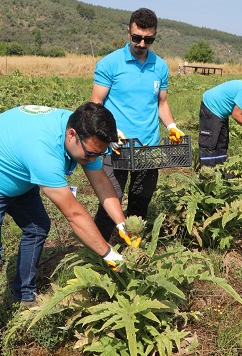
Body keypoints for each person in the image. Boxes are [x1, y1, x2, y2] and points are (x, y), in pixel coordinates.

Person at [0, 102, 133, 356]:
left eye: (100, 152)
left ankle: (23, 293)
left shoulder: (85, 134)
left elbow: (100, 181)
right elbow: (73, 214)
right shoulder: (42, 150)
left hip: (15, 172)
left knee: (37, 226)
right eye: (92, 153)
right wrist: (110, 254)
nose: (94, 158)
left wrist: (122, 224)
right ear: (72, 135)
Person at [91, 7, 185, 241]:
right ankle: (98, 250)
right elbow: (96, 103)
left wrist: (172, 125)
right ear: (128, 32)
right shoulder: (110, 63)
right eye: (137, 38)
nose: (142, 44)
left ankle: (132, 246)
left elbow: (162, 103)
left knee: (141, 199)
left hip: (148, 146)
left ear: (154, 36)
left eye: (148, 39)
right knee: (111, 198)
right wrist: (111, 132)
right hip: (117, 145)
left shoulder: (160, 66)